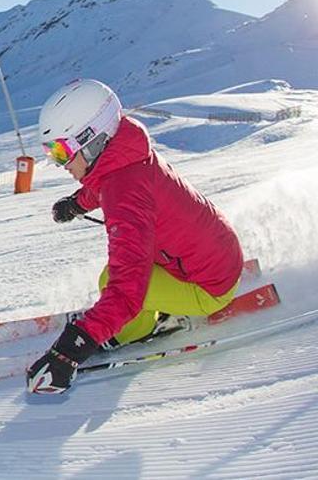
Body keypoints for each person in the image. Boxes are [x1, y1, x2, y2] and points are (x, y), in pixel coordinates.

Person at [25, 79, 244, 395]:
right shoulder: (127, 153)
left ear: (92, 140)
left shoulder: (124, 193)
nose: (59, 163)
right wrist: (77, 203)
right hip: (214, 253)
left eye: (61, 151)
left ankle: (138, 331)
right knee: (109, 276)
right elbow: (105, 182)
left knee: (112, 281)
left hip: (207, 287)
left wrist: (74, 346)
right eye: (51, 152)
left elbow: (129, 288)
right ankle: (154, 309)